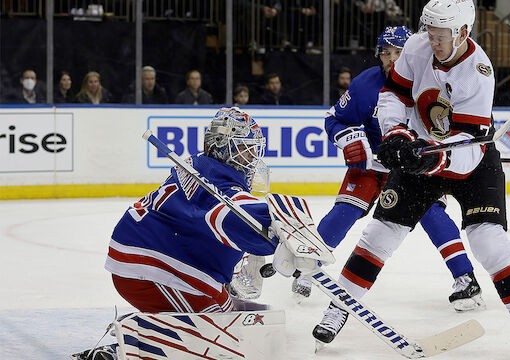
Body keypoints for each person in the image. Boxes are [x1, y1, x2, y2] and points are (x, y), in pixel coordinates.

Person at [311, 1, 510, 360]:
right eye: (429, 31)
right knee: (379, 234)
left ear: (462, 32)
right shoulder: (416, 45)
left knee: (488, 241)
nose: (432, 41)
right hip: (421, 149)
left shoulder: (478, 73)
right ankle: (338, 307)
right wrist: (396, 134)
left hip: (470, 160)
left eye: (440, 35)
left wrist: (425, 156)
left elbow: (463, 155)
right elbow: (394, 94)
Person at [76, 107, 327, 359]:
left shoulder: (203, 168)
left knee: (228, 312)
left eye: (253, 148)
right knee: (218, 335)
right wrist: (280, 231)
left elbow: (224, 219)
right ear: (222, 146)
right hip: (153, 267)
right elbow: (236, 214)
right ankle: (122, 350)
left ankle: (140, 331)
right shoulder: (215, 182)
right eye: (245, 148)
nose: (252, 156)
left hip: (160, 259)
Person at [292, 26, 484, 314]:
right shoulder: (365, 84)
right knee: (345, 211)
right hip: (374, 164)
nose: (392, 59)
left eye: (399, 52)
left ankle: (465, 277)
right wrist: (348, 139)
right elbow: (335, 119)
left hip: (412, 168)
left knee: (432, 213)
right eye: (386, 53)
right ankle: (307, 266)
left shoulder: (431, 80)